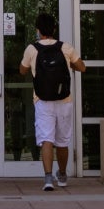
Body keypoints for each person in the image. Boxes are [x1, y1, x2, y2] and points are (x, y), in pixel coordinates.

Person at [19, 12, 85, 191]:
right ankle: (62, 175)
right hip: (64, 100)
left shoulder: (32, 49)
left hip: (42, 101)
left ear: (38, 30)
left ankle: (48, 179)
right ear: (54, 29)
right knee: (62, 141)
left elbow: (22, 70)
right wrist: (68, 63)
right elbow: (82, 67)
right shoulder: (65, 47)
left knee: (46, 139)